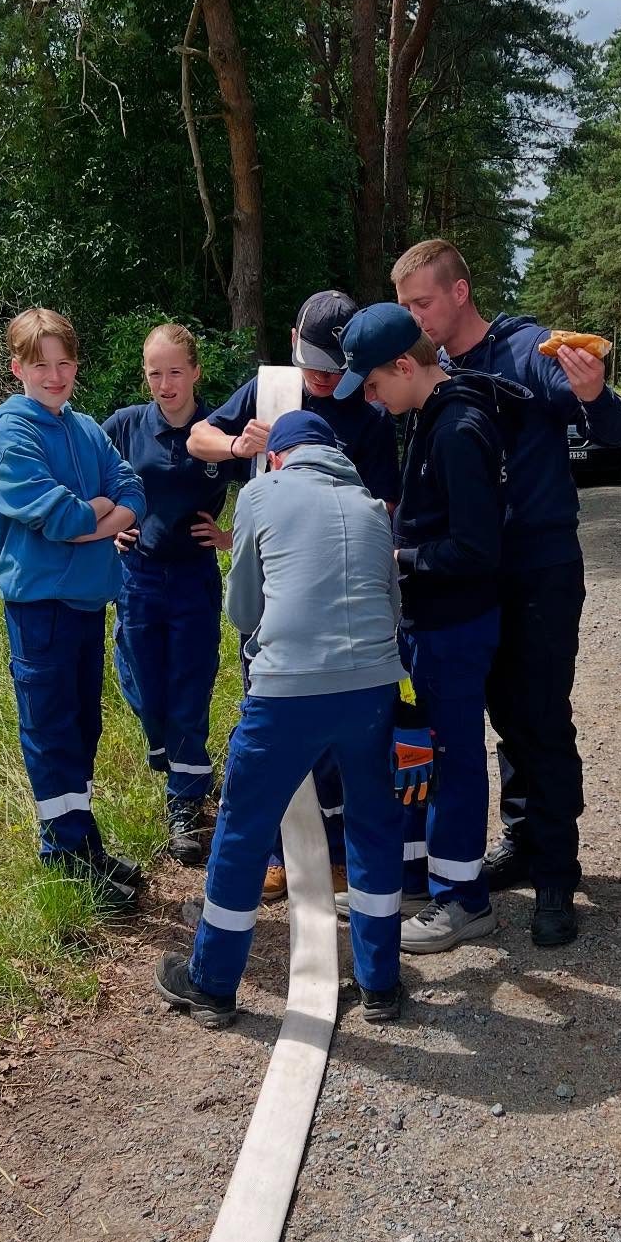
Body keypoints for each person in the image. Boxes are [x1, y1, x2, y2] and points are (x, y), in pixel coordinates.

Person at [392, 238, 621, 946]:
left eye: (423, 302)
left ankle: (557, 871)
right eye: (405, 306)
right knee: (491, 713)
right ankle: (522, 841)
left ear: (460, 293)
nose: (414, 316)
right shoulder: (427, 370)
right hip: (471, 578)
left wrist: (590, 391)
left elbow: (613, 430)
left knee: (537, 718)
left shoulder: (526, 350)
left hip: (536, 568)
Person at [155, 411, 407, 1028]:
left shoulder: (261, 494)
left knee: (243, 830)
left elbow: (243, 611)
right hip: (373, 689)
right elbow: (393, 607)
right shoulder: (373, 508)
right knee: (373, 829)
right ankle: (380, 984)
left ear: (278, 458)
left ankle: (211, 983)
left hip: (287, 692)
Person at [189, 289, 401, 901]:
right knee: (273, 733)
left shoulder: (369, 410)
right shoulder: (270, 389)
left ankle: (332, 858)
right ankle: (280, 856)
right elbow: (197, 438)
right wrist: (237, 447)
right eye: (313, 366)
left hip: (340, 606)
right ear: (291, 342)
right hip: (270, 602)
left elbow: (384, 508)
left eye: (335, 371)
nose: (322, 380)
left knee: (341, 746)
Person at [336, 302, 529, 952]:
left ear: (403, 365)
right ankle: (417, 877)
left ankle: (465, 899)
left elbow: (478, 549)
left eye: (371, 385)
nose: (368, 399)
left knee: (451, 758)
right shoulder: (427, 416)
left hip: (455, 626)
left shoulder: (458, 429)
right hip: (424, 622)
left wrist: (399, 559)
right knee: (415, 749)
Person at [0, 308, 146, 910]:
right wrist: (96, 513)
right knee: (51, 731)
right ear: (17, 367)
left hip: (85, 604)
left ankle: (82, 848)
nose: (54, 376)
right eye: (40, 364)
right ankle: (69, 861)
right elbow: (59, 518)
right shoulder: (12, 429)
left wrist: (100, 510)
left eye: (64, 363)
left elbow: (133, 492)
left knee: (82, 727)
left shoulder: (83, 428)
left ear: (76, 365)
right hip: (40, 607)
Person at [102, 325, 245, 868]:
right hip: (137, 575)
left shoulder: (217, 429)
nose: (165, 384)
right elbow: (90, 477)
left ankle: (184, 803)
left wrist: (236, 536)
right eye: (155, 373)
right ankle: (169, 753)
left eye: (176, 371)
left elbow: (266, 478)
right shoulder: (125, 425)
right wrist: (110, 525)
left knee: (190, 683)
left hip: (193, 577)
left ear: (195, 372)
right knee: (142, 686)